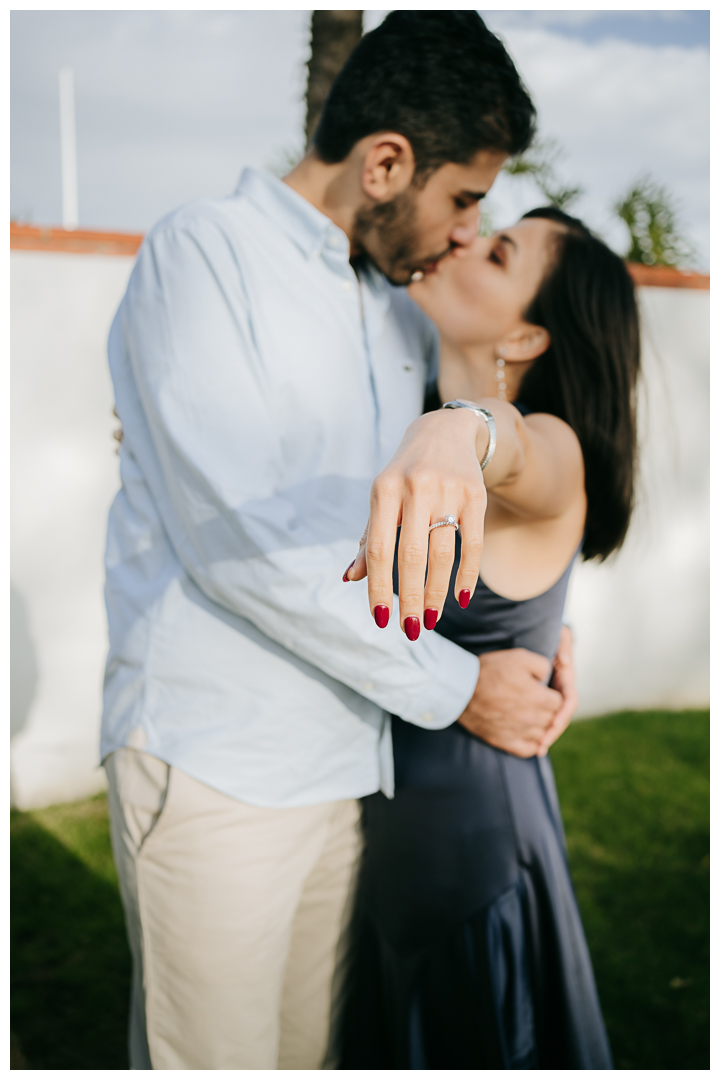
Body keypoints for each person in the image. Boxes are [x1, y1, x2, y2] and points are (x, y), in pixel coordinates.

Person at [101, 12, 578, 1070]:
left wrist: (543, 617)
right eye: (461, 200)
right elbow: (240, 542)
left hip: (352, 772)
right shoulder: (201, 254)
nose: (463, 233)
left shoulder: (397, 313)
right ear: (385, 163)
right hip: (217, 763)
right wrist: (463, 686)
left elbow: (473, 482)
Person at [341, 207, 640, 1068]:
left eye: (500, 251)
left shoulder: (550, 450)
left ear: (528, 335)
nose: (465, 239)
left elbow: (513, 452)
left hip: (470, 856)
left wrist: (462, 426)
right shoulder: (399, 409)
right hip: (392, 841)